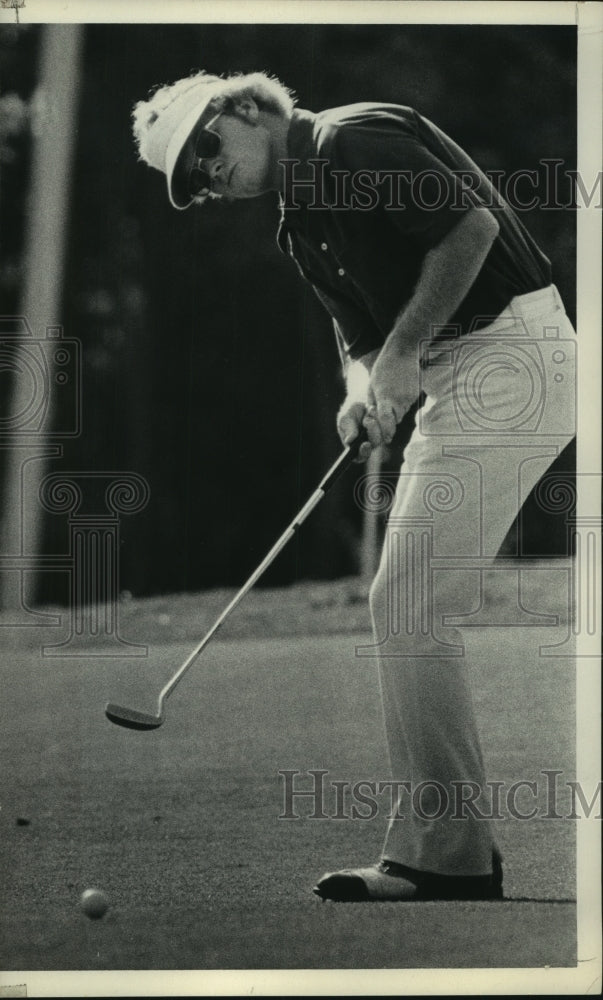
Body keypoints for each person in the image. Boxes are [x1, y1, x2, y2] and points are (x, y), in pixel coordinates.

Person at [132, 71, 575, 901]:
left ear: (246, 109)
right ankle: (446, 853)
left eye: (205, 147)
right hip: (464, 373)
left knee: (407, 600)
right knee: (403, 601)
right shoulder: (300, 227)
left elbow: (468, 231)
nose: (207, 174)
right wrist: (362, 391)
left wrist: (404, 355)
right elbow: (363, 339)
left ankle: (448, 859)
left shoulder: (350, 138)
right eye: (192, 178)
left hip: (515, 356)